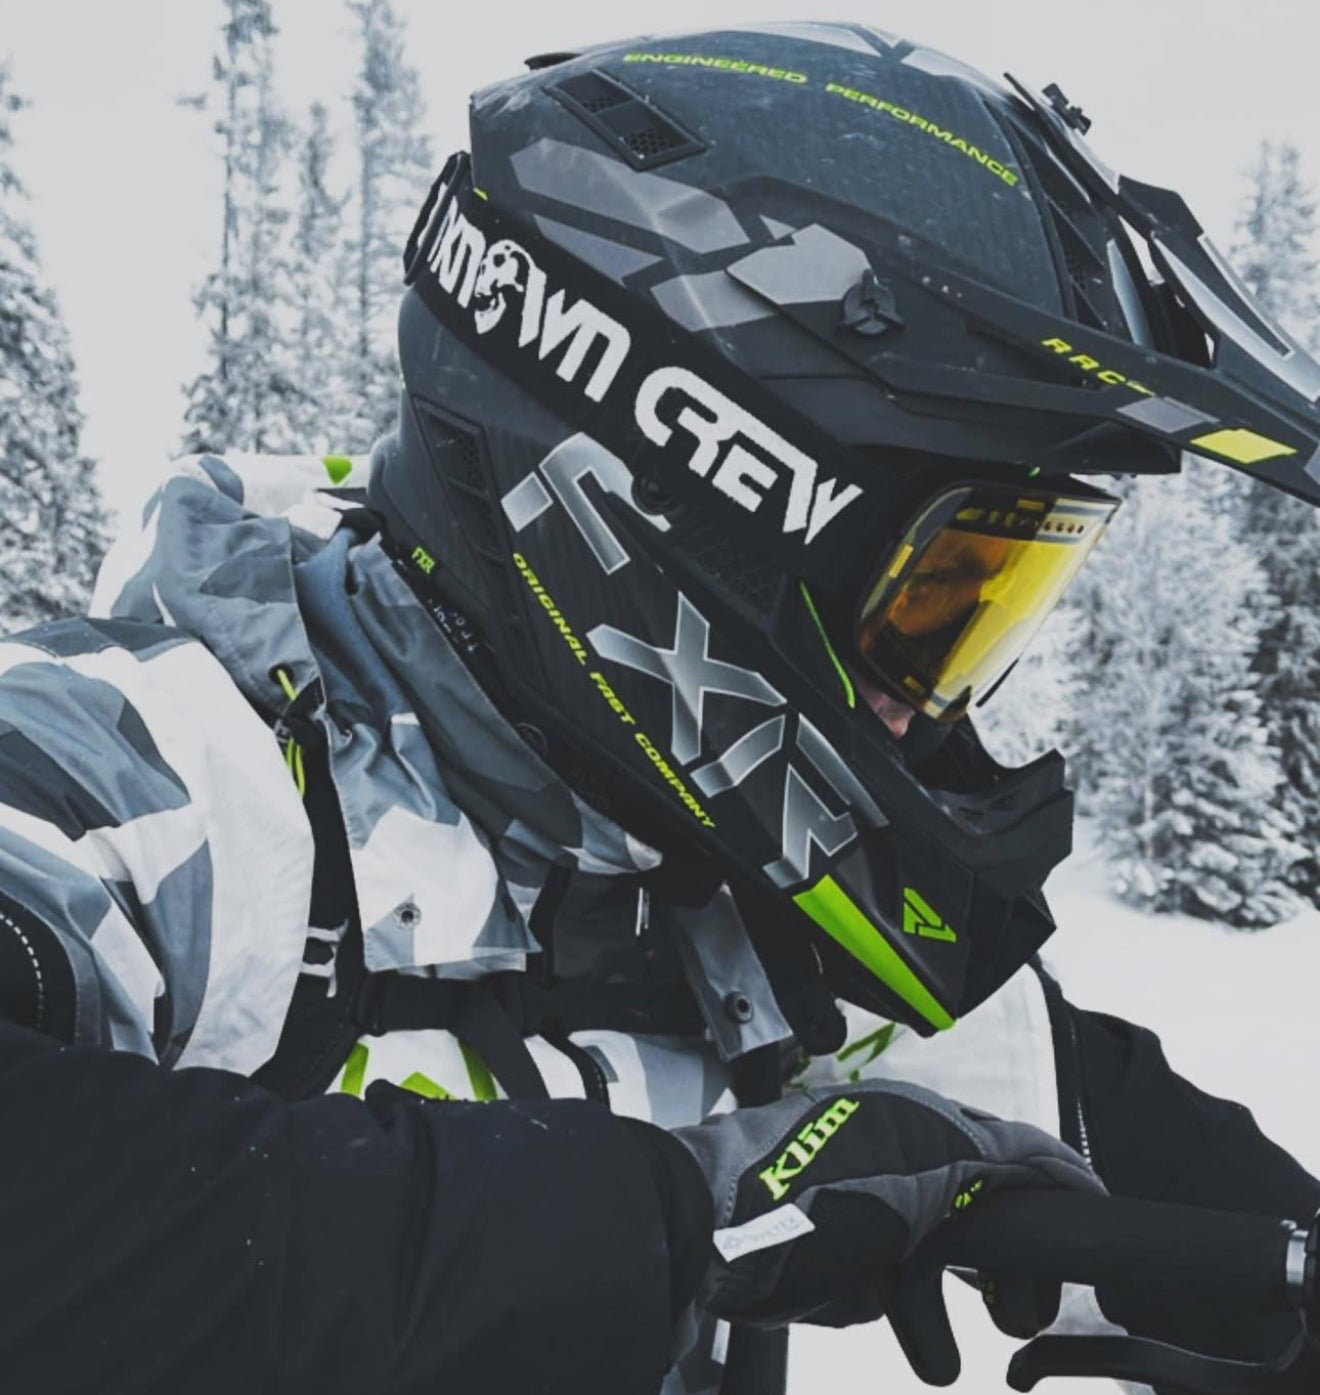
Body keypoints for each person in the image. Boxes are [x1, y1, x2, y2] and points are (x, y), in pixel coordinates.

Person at [2, 21, 1318, 1395]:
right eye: (931, 599)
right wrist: (677, 1218)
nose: (917, 709)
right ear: (690, 493)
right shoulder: (130, 776)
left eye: (988, 613)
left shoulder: (741, 885)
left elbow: (1115, 1130)